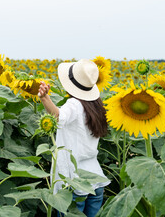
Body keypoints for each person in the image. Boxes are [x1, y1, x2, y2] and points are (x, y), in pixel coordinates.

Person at [38, 59, 110, 217]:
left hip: (74, 181)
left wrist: (44, 98)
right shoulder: (97, 105)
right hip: (95, 179)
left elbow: (58, 117)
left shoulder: (74, 104)